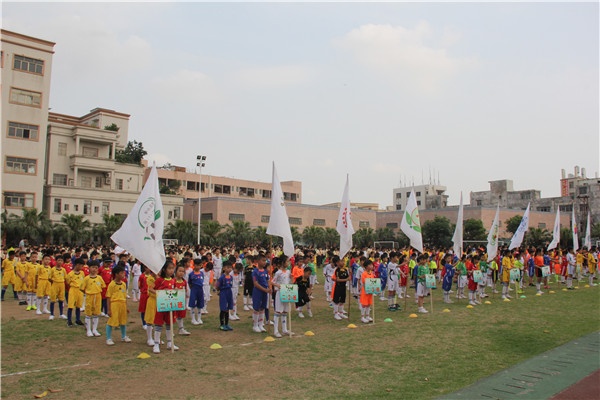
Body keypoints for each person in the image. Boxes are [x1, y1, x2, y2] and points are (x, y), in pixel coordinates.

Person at [152, 260, 178, 354]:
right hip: (161, 305)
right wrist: (160, 293)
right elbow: (151, 288)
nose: (171, 270)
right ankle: (156, 343)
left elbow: (175, 290)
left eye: (172, 268)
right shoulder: (160, 280)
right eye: (169, 268)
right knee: (158, 324)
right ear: (164, 269)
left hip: (170, 306)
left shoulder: (173, 280)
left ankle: (170, 342)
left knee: (169, 324)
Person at [105, 264, 131, 345]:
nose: (123, 274)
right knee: (112, 321)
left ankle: (124, 336)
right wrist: (109, 309)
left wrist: (126, 307)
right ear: (116, 274)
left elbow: (124, 296)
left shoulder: (123, 284)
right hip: (114, 304)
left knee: (123, 321)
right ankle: (108, 338)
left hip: (122, 304)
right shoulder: (112, 284)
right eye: (121, 273)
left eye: (124, 273)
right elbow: (108, 297)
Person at [80, 261, 106, 337]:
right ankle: (88, 330)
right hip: (89, 296)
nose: (94, 269)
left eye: (96, 268)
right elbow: (82, 288)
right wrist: (88, 292)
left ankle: (95, 329)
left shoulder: (99, 278)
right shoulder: (86, 278)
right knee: (88, 313)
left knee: (96, 313)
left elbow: (103, 286)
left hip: (97, 296)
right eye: (92, 267)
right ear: (89, 268)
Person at [271, 256, 293, 338]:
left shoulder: (288, 272)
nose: (288, 263)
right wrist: (278, 285)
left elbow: (290, 281)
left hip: (287, 291)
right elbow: (272, 282)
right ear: (283, 263)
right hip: (280, 292)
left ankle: (284, 329)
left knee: (285, 311)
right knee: (278, 311)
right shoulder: (278, 272)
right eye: (287, 261)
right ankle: (275, 330)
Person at [251, 254, 271, 333]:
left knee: (263, 307)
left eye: (265, 260)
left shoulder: (265, 271)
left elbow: (268, 280)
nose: (264, 262)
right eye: (263, 260)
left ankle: (261, 324)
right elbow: (255, 283)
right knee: (257, 307)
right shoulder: (255, 272)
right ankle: (255, 325)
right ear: (258, 261)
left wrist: (269, 288)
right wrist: (264, 289)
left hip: (265, 292)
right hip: (258, 291)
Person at [66, 258, 86, 327]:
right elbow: (68, 282)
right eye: (81, 266)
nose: (81, 267)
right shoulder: (70, 274)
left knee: (78, 305)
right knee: (71, 305)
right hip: (73, 289)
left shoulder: (82, 273)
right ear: (77, 265)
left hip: (80, 290)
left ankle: (78, 320)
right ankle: (69, 320)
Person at [215, 260, 234, 331]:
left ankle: (227, 324)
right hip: (223, 293)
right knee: (223, 309)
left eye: (230, 267)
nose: (229, 269)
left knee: (227, 309)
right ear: (223, 268)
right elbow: (217, 285)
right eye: (227, 267)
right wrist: (218, 291)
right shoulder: (222, 277)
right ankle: (222, 324)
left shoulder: (231, 277)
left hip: (229, 292)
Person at [48, 256, 67, 320]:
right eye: (58, 260)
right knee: (53, 300)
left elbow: (65, 278)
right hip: (55, 284)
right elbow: (49, 278)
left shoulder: (63, 270)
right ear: (56, 261)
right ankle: (52, 314)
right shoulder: (53, 269)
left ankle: (61, 314)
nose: (60, 262)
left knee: (61, 299)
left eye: (61, 261)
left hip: (62, 284)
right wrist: (54, 282)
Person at [174, 265, 191, 335]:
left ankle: (181, 329)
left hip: (181, 301)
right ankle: (170, 330)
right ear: (176, 272)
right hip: (174, 301)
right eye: (179, 271)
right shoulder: (173, 281)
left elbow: (187, 292)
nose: (181, 273)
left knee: (180, 316)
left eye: (183, 271)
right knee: (173, 316)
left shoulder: (184, 282)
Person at [187, 258, 205, 325]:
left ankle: (199, 318)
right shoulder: (191, 274)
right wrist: (192, 288)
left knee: (200, 304)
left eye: (200, 265)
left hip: (200, 290)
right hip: (194, 290)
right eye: (197, 265)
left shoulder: (202, 273)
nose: (198, 267)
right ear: (194, 265)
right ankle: (193, 319)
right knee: (192, 304)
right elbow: (189, 283)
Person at [331, 255, 350, 320]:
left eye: (343, 261)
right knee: (336, 300)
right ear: (337, 263)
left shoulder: (345, 270)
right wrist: (346, 279)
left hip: (343, 287)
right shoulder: (337, 270)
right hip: (338, 287)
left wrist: (350, 274)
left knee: (342, 300)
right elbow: (337, 279)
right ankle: (336, 313)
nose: (343, 262)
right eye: (341, 261)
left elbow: (348, 277)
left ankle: (341, 312)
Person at [144, 268, 158, 346]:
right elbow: (151, 289)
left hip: (158, 300)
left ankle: (157, 338)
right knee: (150, 319)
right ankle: (149, 338)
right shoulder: (150, 278)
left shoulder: (160, 278)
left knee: (158, 320)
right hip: (152, 300)